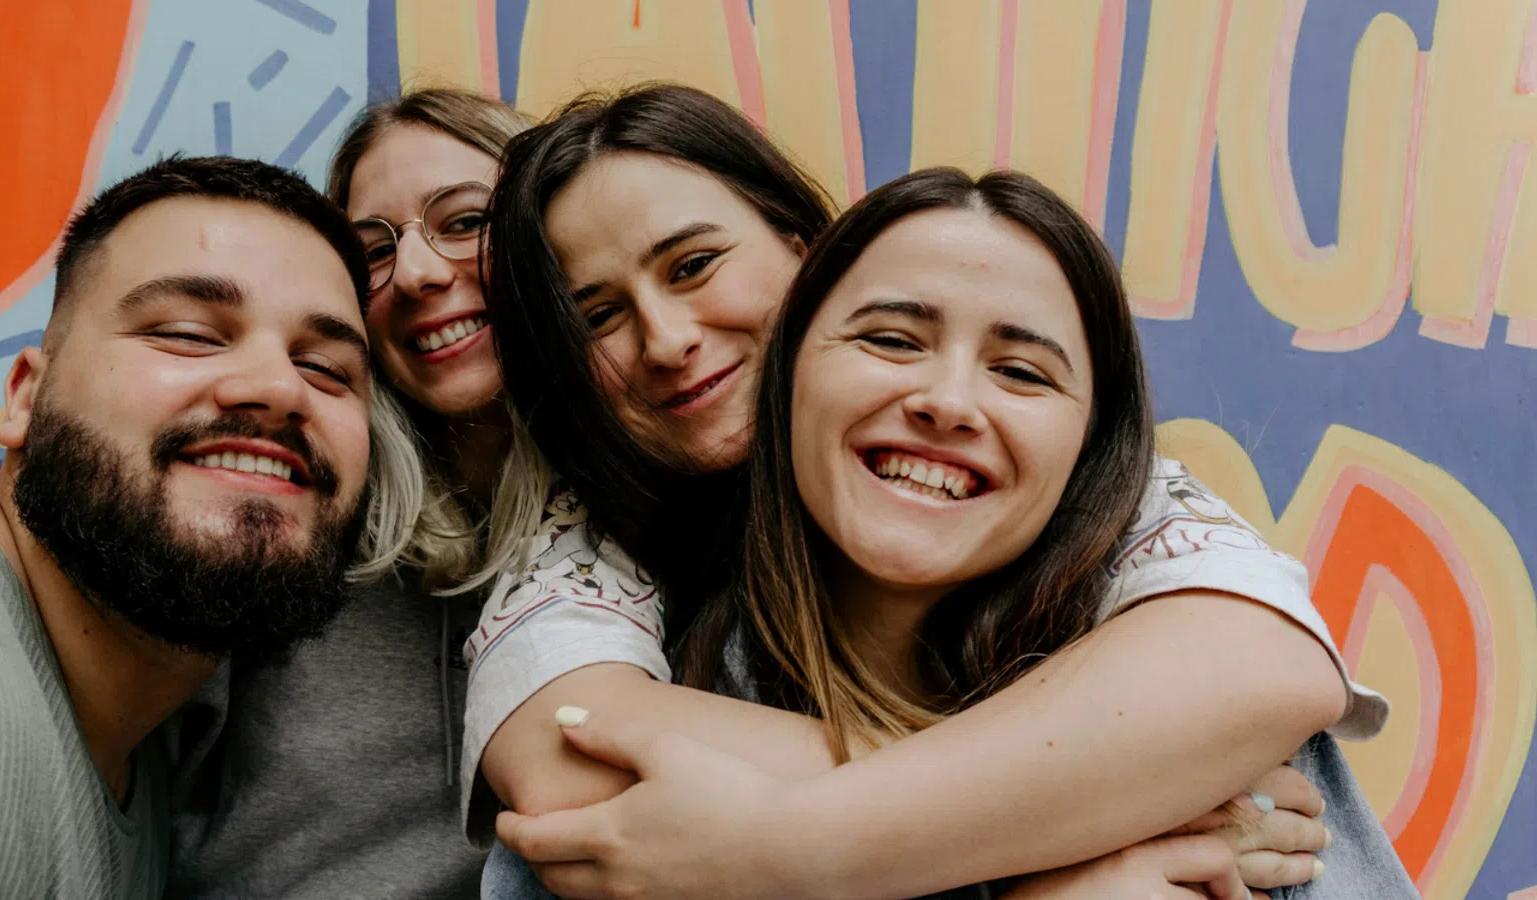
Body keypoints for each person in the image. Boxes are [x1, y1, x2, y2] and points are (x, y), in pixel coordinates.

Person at [468, 86, 1406, 898]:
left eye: (695, 264)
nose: (668, 339)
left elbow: (1260, 675)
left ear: (806, 261)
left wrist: (793, 835)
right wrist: (1089, 812)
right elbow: (574, 770)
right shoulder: (600, 559)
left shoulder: (1127, 531)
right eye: (596, 315)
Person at [0, 155, 398, 900]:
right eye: (187, 334)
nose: (279, 388)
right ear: (27, 396)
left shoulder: (122, 728)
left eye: (327, 369)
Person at [166, 89, 546, 898]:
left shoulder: (657, 523)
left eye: (467, 221)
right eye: (372, 249)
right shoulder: (290, 515)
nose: (414, 273)